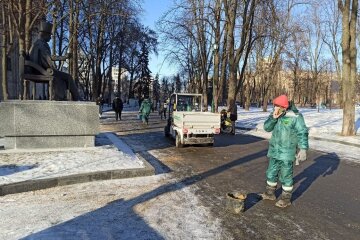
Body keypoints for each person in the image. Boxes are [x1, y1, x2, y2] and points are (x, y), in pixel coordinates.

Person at [260, 95, 309, 208]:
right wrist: (273, 118)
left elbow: (302, 132)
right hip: (274, 151)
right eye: (275, 105)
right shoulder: (275, 114)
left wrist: (303, 149)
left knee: (286, 176)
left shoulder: (295, 116)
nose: (276, 108)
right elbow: (267, 128)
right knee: (271, 173)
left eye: (278, 106)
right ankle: (269, 194)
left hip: (287, 153)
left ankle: (286, 199)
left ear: (285, 107)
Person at [29, 21, 79, 101]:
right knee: (68, 77)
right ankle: (76, 99)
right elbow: (49, 57)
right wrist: (64, 57)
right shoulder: (41, 44)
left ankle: (60, 97)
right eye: (49, 35)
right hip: (40, 70)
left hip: (40, 69)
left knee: (63, 78)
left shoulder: (40, 43)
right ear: (44, 34)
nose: (50, 37)